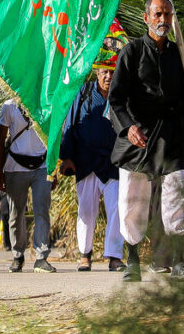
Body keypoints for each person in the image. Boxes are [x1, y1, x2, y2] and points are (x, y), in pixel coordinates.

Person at [108, 0, 184, 282]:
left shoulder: (181, 55)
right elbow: (116, 99)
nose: (163, 20)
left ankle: (179, 262)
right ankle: (132, 261)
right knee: (133, 198)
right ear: (146, 18)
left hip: (172, 137)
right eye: (158, 14)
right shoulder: (131, 52)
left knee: (176, 197)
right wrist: (129, 127)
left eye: (168, 15)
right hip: (138, 137)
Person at [59, 21, 127, 273]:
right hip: (85, 162)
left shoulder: (123, 95)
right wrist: (66, 157)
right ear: (97, 72)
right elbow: (70, 125)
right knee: (86, 211)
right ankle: (85, 254)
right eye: (104, 72)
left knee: (117, 209)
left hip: (114, 162)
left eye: (112, 72)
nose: (109, 76)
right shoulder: (84, 93)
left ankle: (114, 256)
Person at [0, 99, 57, 273]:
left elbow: (53, 135)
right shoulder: (9, 106)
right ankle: (17, 255)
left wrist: (53, 170)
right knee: (16, 213)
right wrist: (0, 172)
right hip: (15, 166)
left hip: (42, 165)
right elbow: (0, 139)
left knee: (42, 211)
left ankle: (41, 257)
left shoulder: (46, 101)